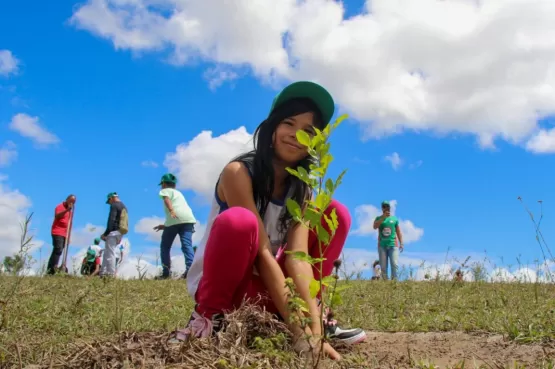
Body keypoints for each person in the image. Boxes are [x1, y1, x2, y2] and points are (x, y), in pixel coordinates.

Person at [180, 81, 366, 360]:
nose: (295, 135)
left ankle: (317, 317)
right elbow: (262, 254)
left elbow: (298, 260)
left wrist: (311, 332)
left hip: (271, 292)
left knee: (335, 213)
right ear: (272, 128)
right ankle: (208, 319)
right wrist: (301, 332)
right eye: (288, 124)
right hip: (232, 286)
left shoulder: (302, 189)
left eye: (308, 132)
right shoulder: (238, 173)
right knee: (240, 222)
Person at [153, 173, 197, 280]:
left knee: (165, 246)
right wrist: (165, 225)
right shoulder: (179, 193)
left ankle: (166, 273)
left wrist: (171, 210)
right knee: (187, 245)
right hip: (188, 219)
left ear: (163, 184)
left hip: (174, 218)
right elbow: (181, 213)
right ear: (175, 185)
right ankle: (191, 271)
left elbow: (166, 199)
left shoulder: (165, 191)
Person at [373, 200, 404, 280]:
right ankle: (385, 283)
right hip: (382, 246)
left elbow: (398, 232)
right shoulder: (378, 218)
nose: (386, 208)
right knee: (383, 266)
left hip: (393, 245)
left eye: (387, 206)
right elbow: (375, 226)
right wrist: (383, 217)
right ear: (382, 208)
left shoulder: (394, 219)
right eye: (384, 206)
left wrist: (402, 243)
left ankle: (394, 282)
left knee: (394, 264)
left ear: (390, 208)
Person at [47, 195, 76, 275]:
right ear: (67, 200)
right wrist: (67, 210)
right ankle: (51, 270)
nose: (71, 203)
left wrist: (68, 236)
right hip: (57, 231)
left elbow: (69, 224)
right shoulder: (60, 207)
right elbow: (57, 216)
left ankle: (51, 269)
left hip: (65, 234)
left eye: (73, 202)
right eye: (70, 201)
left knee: (58, 251)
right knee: (58, 249)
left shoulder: (71, 212)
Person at [100, 192, 128, 277]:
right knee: (107, 252)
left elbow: (111, 220)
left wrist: (105, 233)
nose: (109, 203)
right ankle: (103, 272)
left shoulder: (114, 205)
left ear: (111, 198)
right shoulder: (123, 206)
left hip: (113, 231)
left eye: (109, 201)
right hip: (119, 232)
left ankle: (110, 273)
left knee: (110, 253)